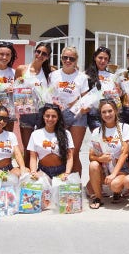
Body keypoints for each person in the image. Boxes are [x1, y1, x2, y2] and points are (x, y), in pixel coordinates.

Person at [49, 46, 89, 174]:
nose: (68, 60)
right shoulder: (53, 75)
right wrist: (53, 102)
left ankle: (76, 186)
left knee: (74, 152)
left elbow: (85, 98)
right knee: (62, 150)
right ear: (61, 58)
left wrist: (85, 107)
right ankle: (64, 183)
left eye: (71, 58)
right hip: (58, 115)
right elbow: (48, 95)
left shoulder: (82, 77)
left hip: (77, 116)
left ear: (76, 60)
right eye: (65, 57)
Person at [88, 100, 129, 209]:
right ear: (100, 114)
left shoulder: (124, 127)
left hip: (121, 169)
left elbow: (125, 153)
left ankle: (117, 191)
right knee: (93, 165)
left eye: (110, 111)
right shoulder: (96, 131)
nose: (107, 115)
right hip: (104, 168)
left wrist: (114, 174)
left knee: (115, 185)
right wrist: (100, 158)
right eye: (104, 112)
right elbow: (91, 156)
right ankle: (98, 197)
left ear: (116, 111)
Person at [14, 42, 53, 165]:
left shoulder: (50, 72)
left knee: (42, 148)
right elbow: (15, 88)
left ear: (47, 57)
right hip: (26, 112)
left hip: (43, 113)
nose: (40, 55)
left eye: (44, 54)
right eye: (38, 51)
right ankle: (27, 176)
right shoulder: (22, 69)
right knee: (27, 148)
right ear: (35, 52)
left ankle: (41, 174)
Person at [27, 103, 74, 180]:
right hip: (42, 171)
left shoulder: (66, 134)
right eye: (47, 116)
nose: (50, 119)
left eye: (54, 116)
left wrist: (67, 173)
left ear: (58, 118)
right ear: (43, 116)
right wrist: (33, 172)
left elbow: (70, 157)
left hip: (61, 172)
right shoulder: (35, 134)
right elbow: (33, 157)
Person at [84, 46, 121, 131]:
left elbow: (118, 94)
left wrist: (119, 92)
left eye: (106, 59)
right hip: (94, 114)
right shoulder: (85, 75)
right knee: (99, 141)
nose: (103, 61)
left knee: (109, 140)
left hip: (110, 114)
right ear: (94, 58)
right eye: (100, 58)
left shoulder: (113, 76)